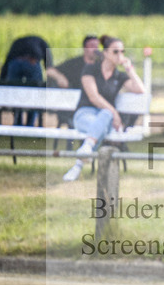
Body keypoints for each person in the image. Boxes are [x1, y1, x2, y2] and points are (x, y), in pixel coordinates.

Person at [62, 36, 146, 182]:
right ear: (105, 53)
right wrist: (114, 113)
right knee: (102, 124)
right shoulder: (91, 69)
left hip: (105, 117)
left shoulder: (119, 76)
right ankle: (78, 165)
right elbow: (93, 97)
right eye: (115, 51)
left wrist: (129, 68)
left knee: (104, 116)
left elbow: (140, 90)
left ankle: (82, 157)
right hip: (84, 114)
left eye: (122, 52)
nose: (120, 55)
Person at [0, 35, 52, 125]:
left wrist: (1, 80)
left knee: (15, 94)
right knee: (35, 94)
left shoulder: (17, 42)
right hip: (32, 61)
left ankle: (17, 122)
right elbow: (49, 63)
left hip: (15, 63)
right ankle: (30, 124)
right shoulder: (42, 42)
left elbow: (7, 61)